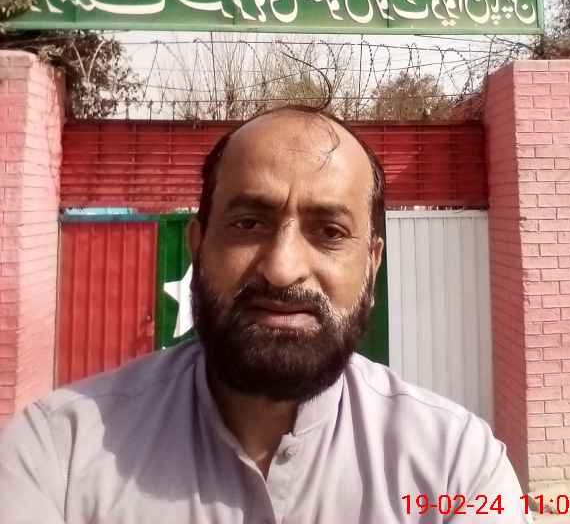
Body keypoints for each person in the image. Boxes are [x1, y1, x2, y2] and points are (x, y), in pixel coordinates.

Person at [0, 105, 532, 523]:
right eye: (249, 224)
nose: (282, 269)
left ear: (372, 264)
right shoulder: (58, 454)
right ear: (198, 245)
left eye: (329, 231)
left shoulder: (456, 468)